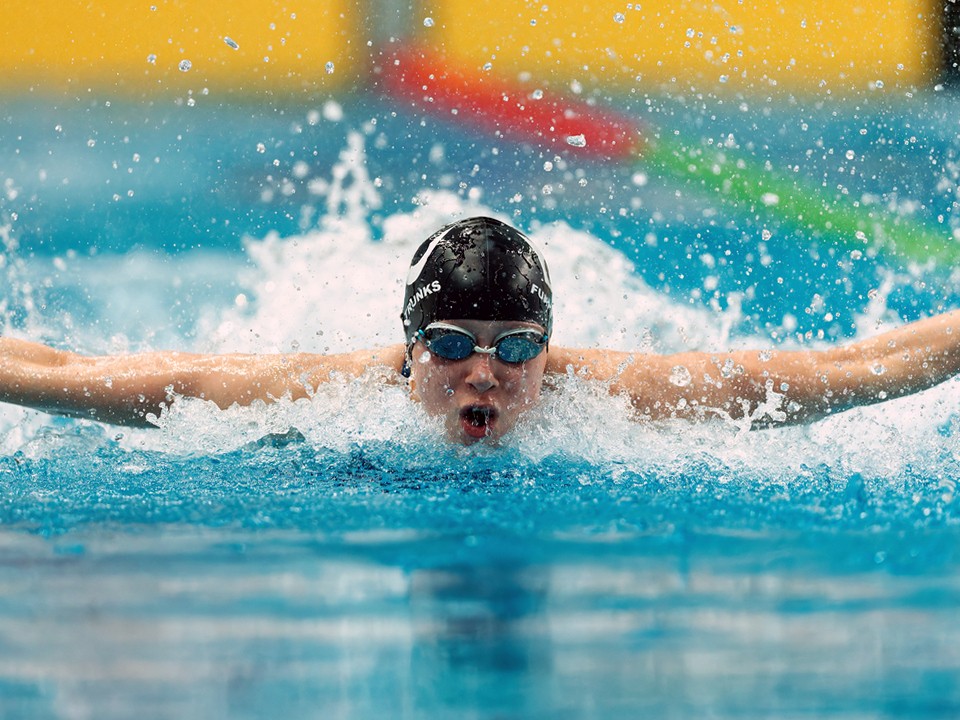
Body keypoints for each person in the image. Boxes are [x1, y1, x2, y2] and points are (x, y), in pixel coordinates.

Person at [1, 216, 958, 444]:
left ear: (547, 345)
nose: (483, 377)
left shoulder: (618, 399)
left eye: (514, 347)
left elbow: (844, 365)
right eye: (452, 348)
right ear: (411, 349)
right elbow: (91, 374)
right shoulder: (322, 393)